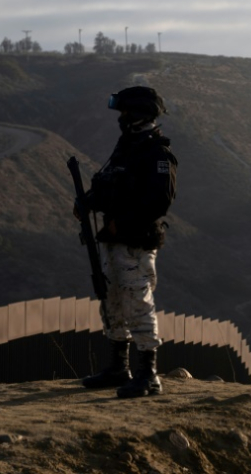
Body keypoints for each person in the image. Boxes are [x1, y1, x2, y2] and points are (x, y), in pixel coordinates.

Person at [78, 86, 177, 398]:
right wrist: (88, 202)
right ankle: (119, 366)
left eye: (125, 112)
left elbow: (159, 201)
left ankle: (149, 373)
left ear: (138, 114)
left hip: (135, 242)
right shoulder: (126, 148)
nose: (121, 118)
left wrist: (124, 222)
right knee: (112, 301)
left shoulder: (156, 153)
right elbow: (109, 184)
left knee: (138, 301)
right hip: (113, 241)